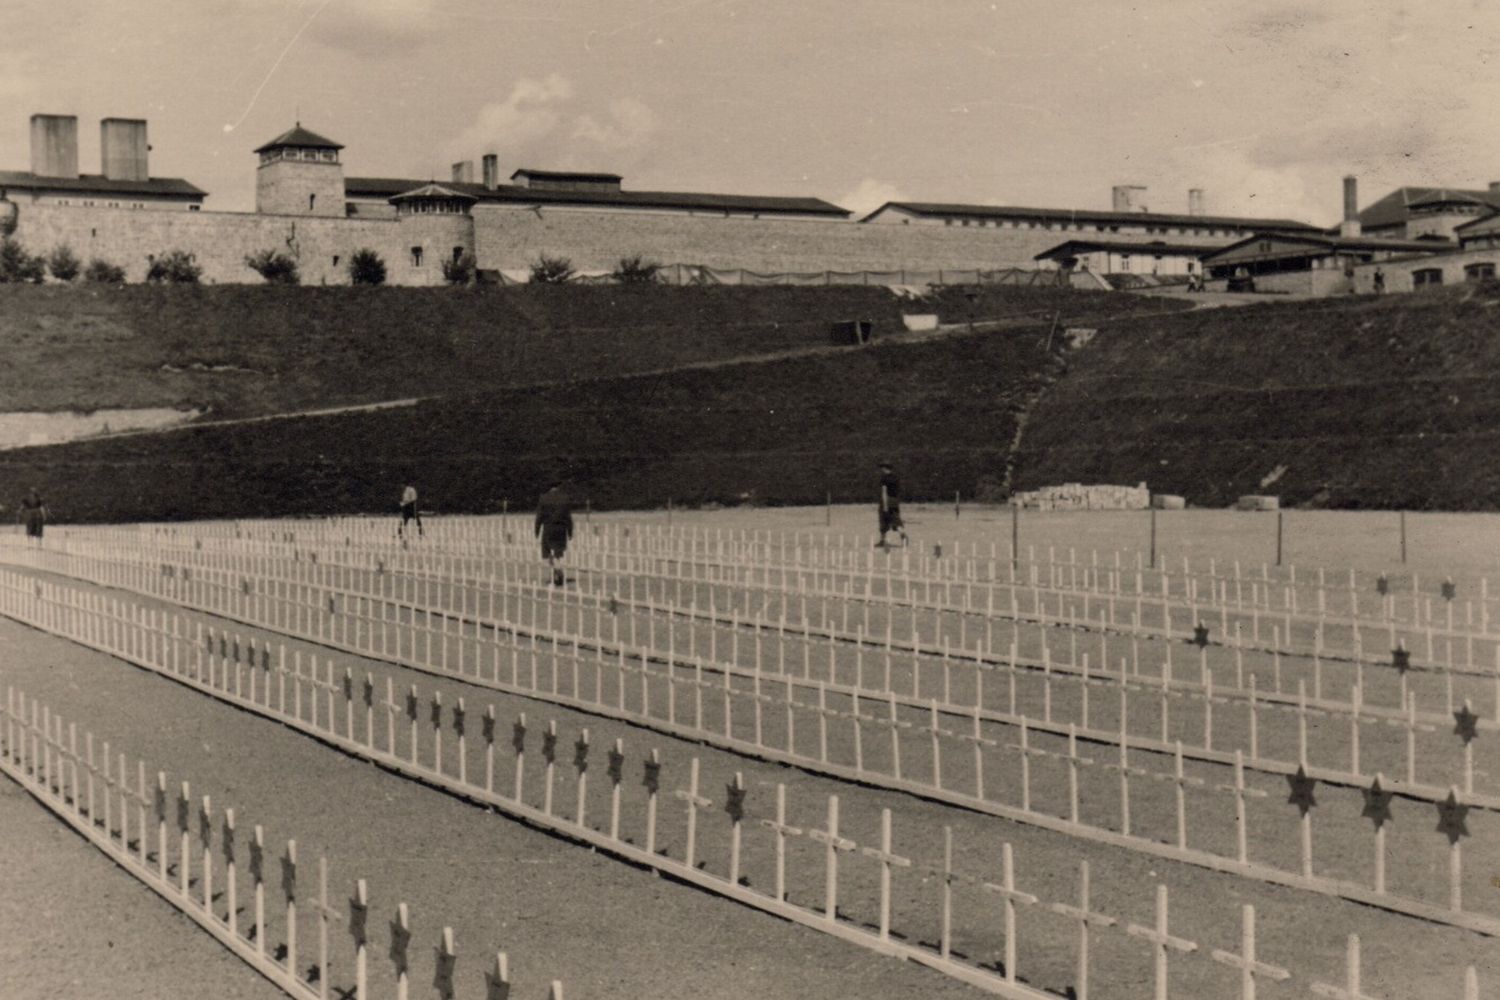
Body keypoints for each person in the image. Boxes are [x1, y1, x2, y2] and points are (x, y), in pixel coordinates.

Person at [535, 480, 574, 586]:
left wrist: (537, 531)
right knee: (558, 553)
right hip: (561, 529)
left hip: (548, 529)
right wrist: (570, 531)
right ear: (559, 486)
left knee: (548, 554)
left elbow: (539, 517)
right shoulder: (565, 498)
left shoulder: (543, 498)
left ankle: (557, 573)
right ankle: (558, 572)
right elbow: (568, 517)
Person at [876, 461, 908, 548]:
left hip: (887, 501)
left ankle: (883, 540)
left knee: (883, 520)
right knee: (896, 520)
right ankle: (903, 535)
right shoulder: (896, 478)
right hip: (895, 501)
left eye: (882, 467)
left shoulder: (884, 478)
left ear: (884, 468)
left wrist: (885, 505)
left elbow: (884, 492)